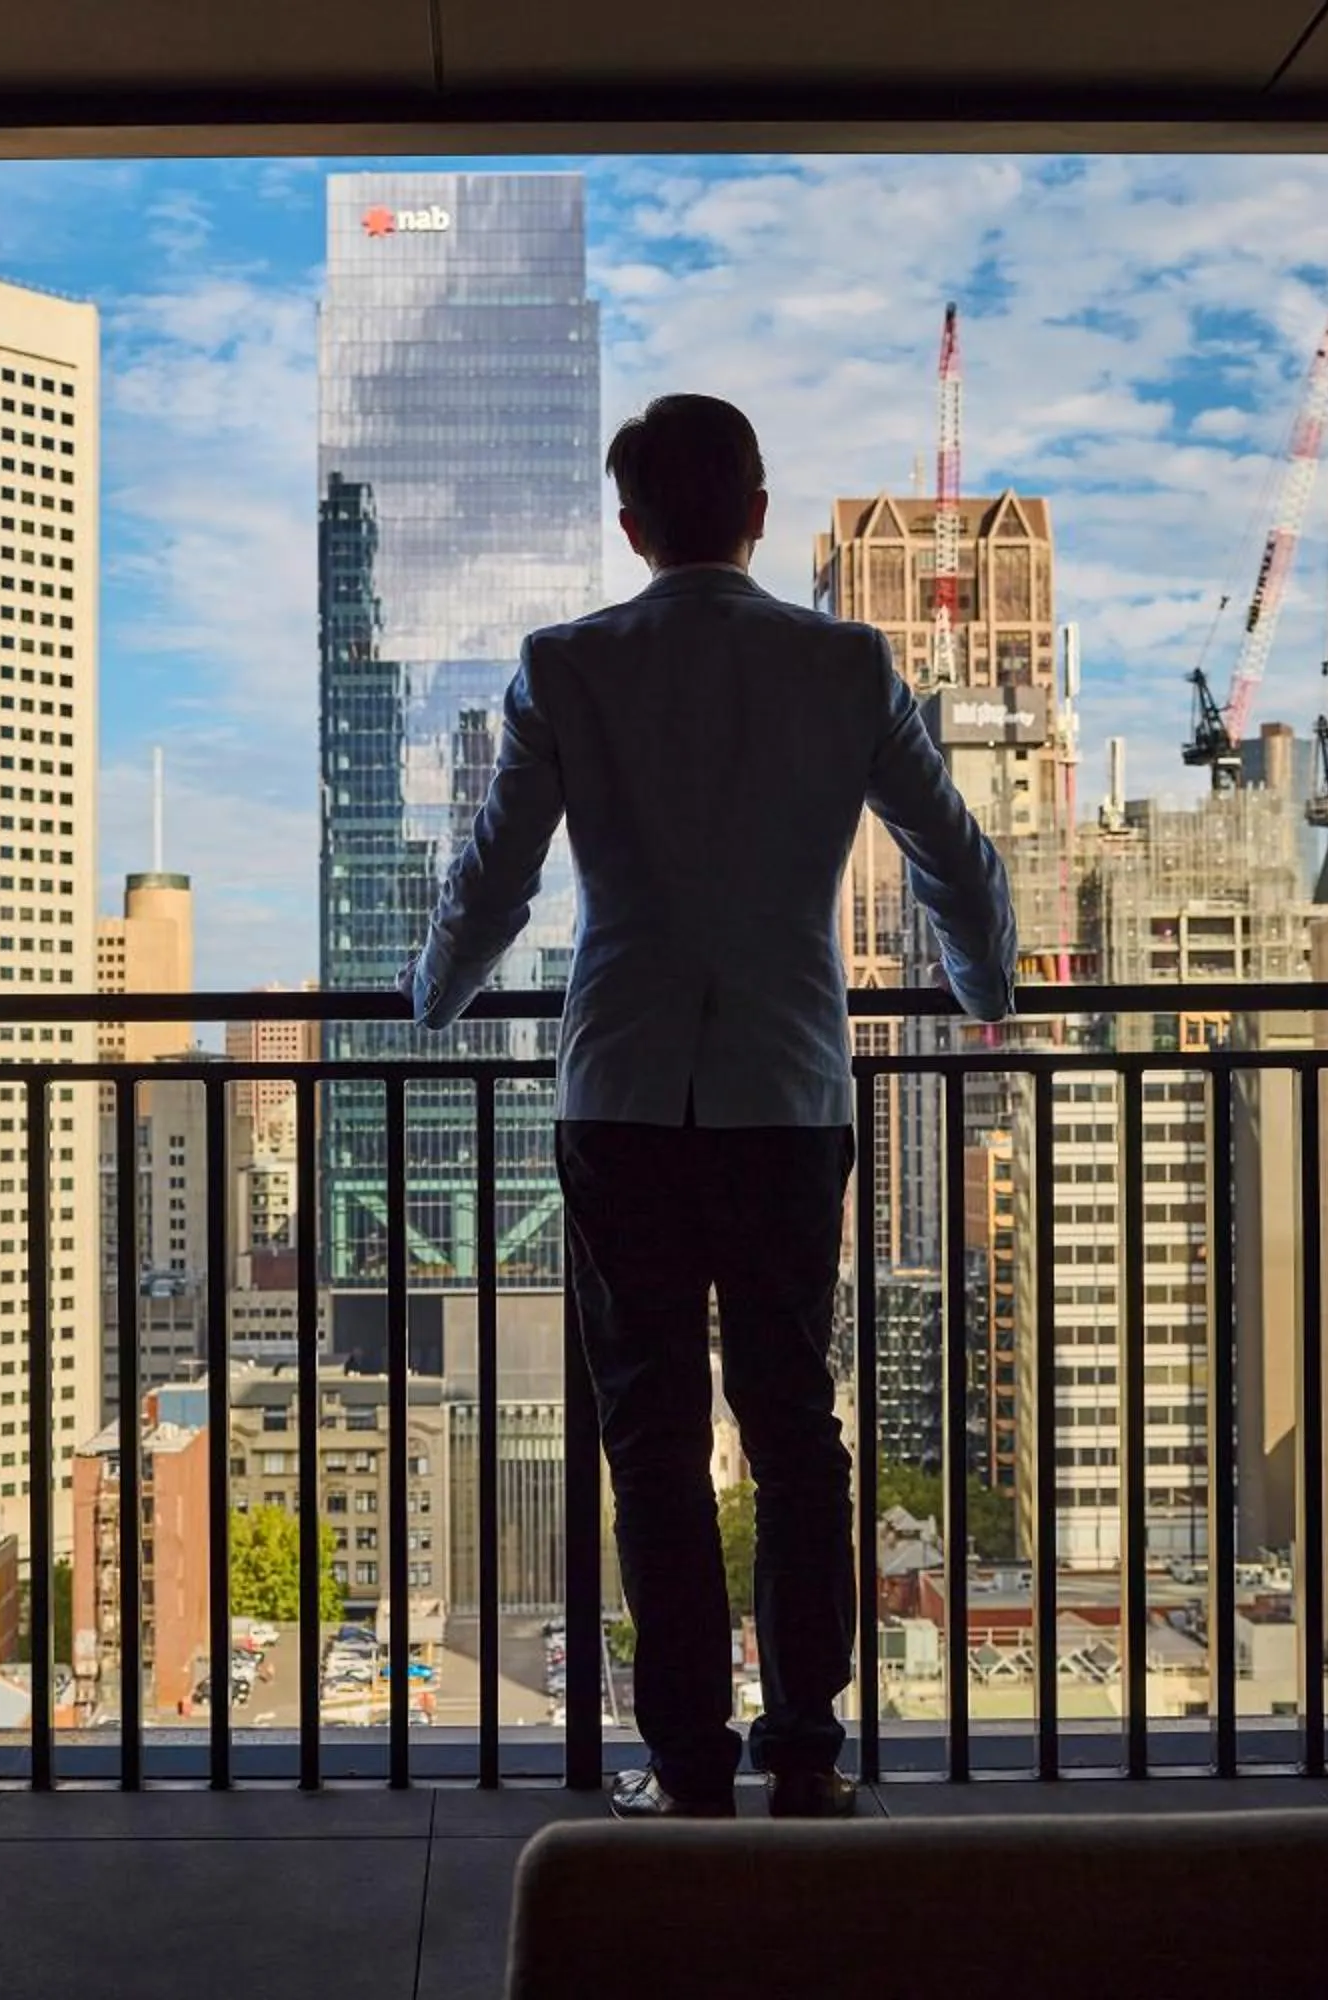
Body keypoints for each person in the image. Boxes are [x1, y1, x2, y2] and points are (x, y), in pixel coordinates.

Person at [401, 393, 1015, 1821]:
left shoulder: (570, 669)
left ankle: (685, 1765)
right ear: (755, 510)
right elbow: (959, 869)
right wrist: (981, 995)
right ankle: (805, 1746)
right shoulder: (849, 667)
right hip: (788, 1097)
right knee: (795, 1426)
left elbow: (491, 882)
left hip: (620, 1098)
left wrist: (429, 999)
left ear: (632, 528)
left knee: (652, 1434)